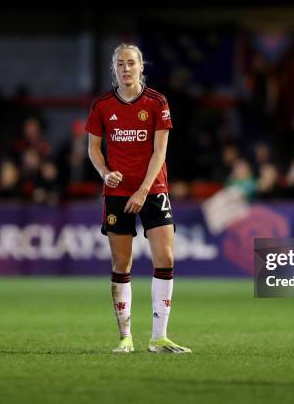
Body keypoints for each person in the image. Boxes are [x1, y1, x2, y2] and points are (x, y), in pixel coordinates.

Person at [85, 43, 191, 354]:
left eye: (131, 63)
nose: (126, 68)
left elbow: (161, 151)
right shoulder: (102, 105)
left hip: (153, 190)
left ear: (141, 66)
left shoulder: (157, 102)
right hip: (117, 193)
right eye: (120, 63)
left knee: (166, 259)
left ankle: (159, 337)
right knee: (121, 262)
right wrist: (105, 173)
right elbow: (93, 149)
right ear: (114, 68)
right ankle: (125, 337)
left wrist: (144, 189)